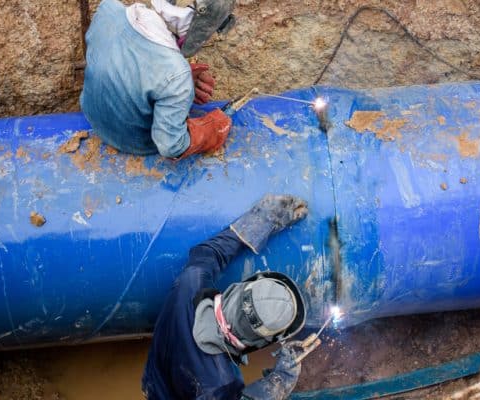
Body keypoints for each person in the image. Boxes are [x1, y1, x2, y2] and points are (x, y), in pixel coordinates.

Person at [142, 194, 309, 400]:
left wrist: (262, 220)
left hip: (155, 380)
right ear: (257, 342)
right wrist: (279, 380)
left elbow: (208, 253)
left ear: (240, 289)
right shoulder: (222, 384)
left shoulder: (190, 285)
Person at [80, 0, 236, 159]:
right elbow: (170, 146)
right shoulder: (176, 74)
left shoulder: (108, 9)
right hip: (136, 141)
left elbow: (117, 62)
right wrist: (209, 131)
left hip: (92, 114)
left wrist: (166, 85)